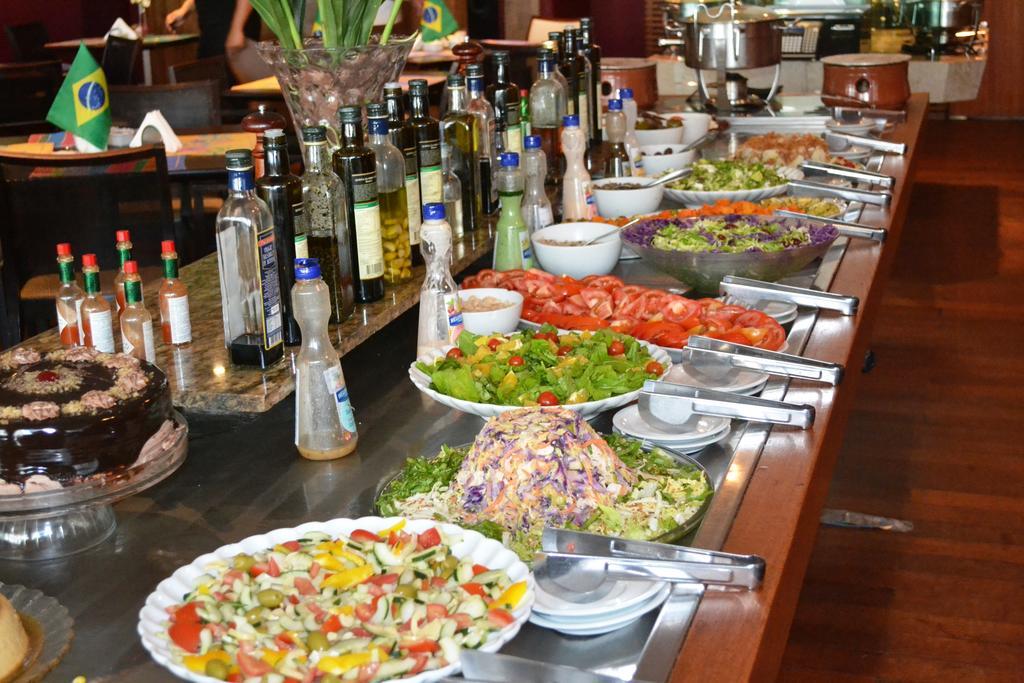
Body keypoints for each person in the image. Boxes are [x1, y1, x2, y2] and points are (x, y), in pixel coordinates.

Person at [165, 0, 271, 83]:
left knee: (242, 96)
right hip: (211, 35)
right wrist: (184, 10)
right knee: (214, 95)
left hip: (232, 35)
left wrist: (237, 29)